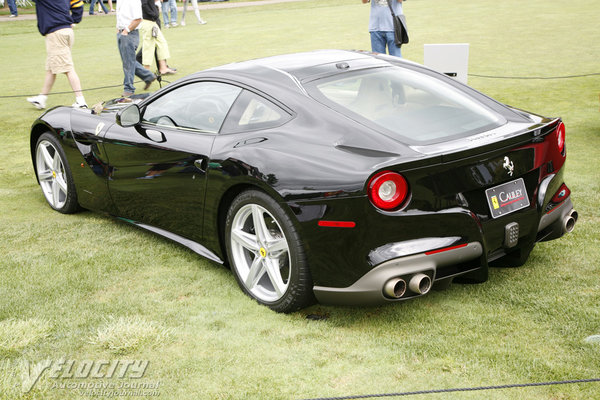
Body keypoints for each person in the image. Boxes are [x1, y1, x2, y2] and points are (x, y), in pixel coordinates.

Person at [27, 0, 87, 109]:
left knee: (68, 68)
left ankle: (80, 101)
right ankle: (42, 98)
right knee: (51, 68)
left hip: (56, 34)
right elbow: (78, 4)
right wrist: (74, 20)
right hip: (66, 30)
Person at [116, 0, 157, 97]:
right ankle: (148, 76)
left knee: (128, 63)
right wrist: (118, 29)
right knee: (128, 60)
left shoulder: (134, 1)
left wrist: (126, 30)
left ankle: (129, 89)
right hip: (122, 31)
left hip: (130, 33)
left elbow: (138, 19)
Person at [139, 0, 177, 75]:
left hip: (152, 21)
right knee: (148, 46)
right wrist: (153, 14)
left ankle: (163, 68)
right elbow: (144, 4)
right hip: (148, 21)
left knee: (161, 43)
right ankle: (146, 71)